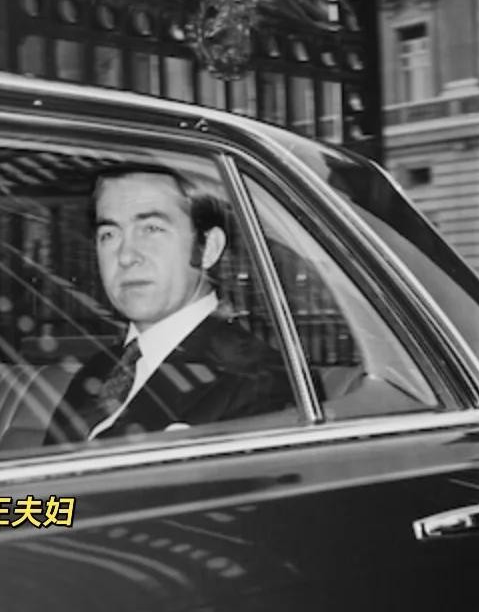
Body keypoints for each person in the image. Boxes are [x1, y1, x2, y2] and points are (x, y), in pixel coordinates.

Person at [45, 164, 293, 444]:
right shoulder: (99, 369)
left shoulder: (257, 381)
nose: (125, 256)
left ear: (208, 248)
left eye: (152, 229)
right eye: (109, 235)